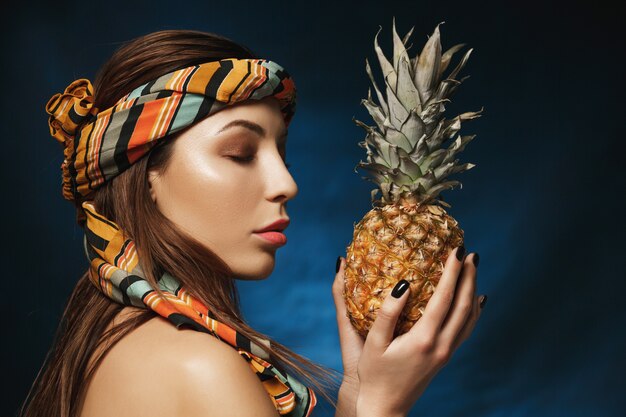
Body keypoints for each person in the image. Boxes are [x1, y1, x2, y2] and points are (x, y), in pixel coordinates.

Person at [20, 29, 486, 417]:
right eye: (240, 153)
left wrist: (359, 399)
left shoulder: (111, 337)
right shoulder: (202, 369)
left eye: (280, 152)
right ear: (144, 179)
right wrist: (383, 407)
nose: (287, 183)